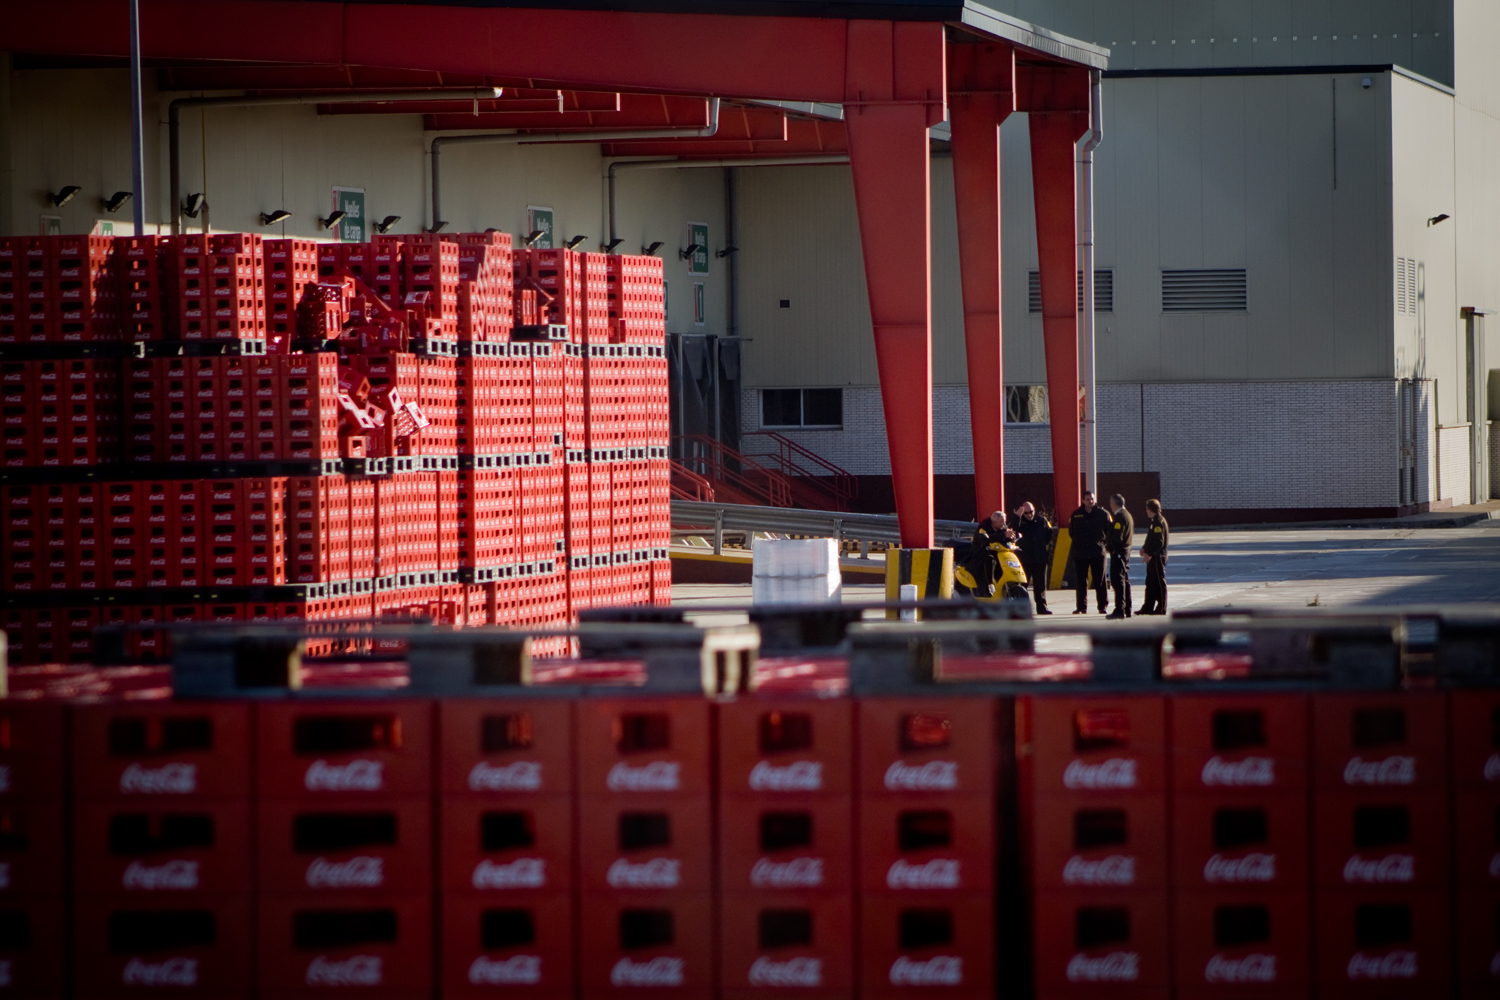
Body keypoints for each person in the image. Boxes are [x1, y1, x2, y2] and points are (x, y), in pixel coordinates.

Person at [1068, 490, 1111, 615]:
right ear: (1083, 501)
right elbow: (1071, 532)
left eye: (1092, 499)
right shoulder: (1076, 515)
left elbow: (1109, 531)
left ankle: (1102, 606)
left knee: (1100, 581)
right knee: (1081, 581)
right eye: (1087, 499)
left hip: (1097, 552)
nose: (1090, 501)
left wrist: (1104, 545)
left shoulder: (1103, 514)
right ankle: (1081, 607)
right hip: (1080, 553)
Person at [955, 511, 1013, 599]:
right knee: (990, 559)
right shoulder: (983, 528)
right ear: (994, 522)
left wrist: (1013, 537)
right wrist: (1003, 535)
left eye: (1004, 522)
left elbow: (1006, 537)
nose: (1004, 524)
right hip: (980, 554)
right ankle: (990, 584)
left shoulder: (1002, 527)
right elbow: (988, 538)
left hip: (997, 553)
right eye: (1002, 522)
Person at [1011, 501, 1053, 614]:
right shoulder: (1019, 522)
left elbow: (1048, 536)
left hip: (1039, 557)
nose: (1029, 515)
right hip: (1025, 558)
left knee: (1040, 585)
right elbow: (1012, 531)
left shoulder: (1042, 521)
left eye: (1031, 512)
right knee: (1022, 584)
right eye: (1026, 513)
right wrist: (1017, 517)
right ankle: (1021, 609)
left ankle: (1042, 607)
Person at [1105, 493, 1134, 620]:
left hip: (1119, 552)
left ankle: (1120, 609)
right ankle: (1127, 608)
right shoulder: (1127, 515)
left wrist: (1109, 546)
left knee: (1118, 581)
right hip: (1124, 552)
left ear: (1114, 504)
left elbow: (1117, 536)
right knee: (1124, 580)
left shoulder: (1120, 516)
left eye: (1111, 502)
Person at [1139, 497, 1170, 615]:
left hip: (1157, 557)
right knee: (1150, 582)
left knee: (1159, 582)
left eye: (1147, 509)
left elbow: (1159, 542)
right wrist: (1144, 548)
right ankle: (1148, 606)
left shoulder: (1158, 522)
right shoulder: (1154, 521)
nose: (1146, 511)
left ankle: (1161, 607)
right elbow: (1151, 539)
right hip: (1152, 557)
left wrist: (1150, 554)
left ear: (1149, 509)